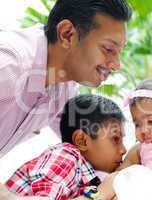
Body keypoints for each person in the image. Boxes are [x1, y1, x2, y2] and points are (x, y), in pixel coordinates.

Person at [0, 0, 132, 157]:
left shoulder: (64, 85)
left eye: (119, 52)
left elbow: (85, 144)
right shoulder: (8, 66)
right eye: (109, 49)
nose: (116, 64)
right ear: (67, 34)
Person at [5, 94, 127, 200]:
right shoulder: (67, 157)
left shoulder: (86, 177)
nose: (123, 149)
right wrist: (101, 193)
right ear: (82, 141)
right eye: (115, 139)